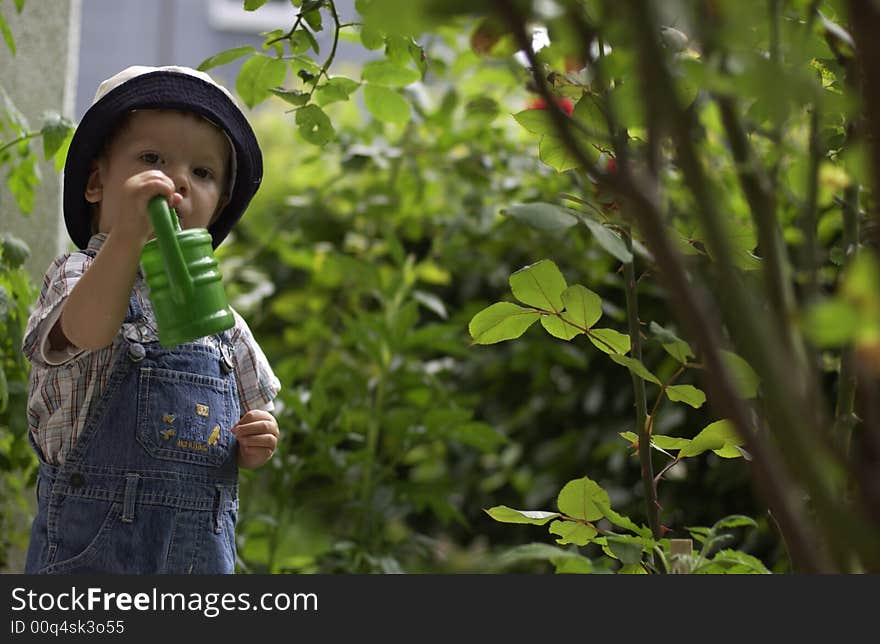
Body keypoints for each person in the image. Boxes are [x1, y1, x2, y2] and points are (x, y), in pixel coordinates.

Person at [21, 65, 281, 574]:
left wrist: (257, 439)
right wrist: (127, 239)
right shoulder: (76, 274)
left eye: (202, 173)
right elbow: (89, 329)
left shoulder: (221, 320)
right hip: (90, 557)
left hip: (196, 558)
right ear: (97, 182)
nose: (177, 180)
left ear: (220, 206)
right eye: (152, 159)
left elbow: (256, 409)